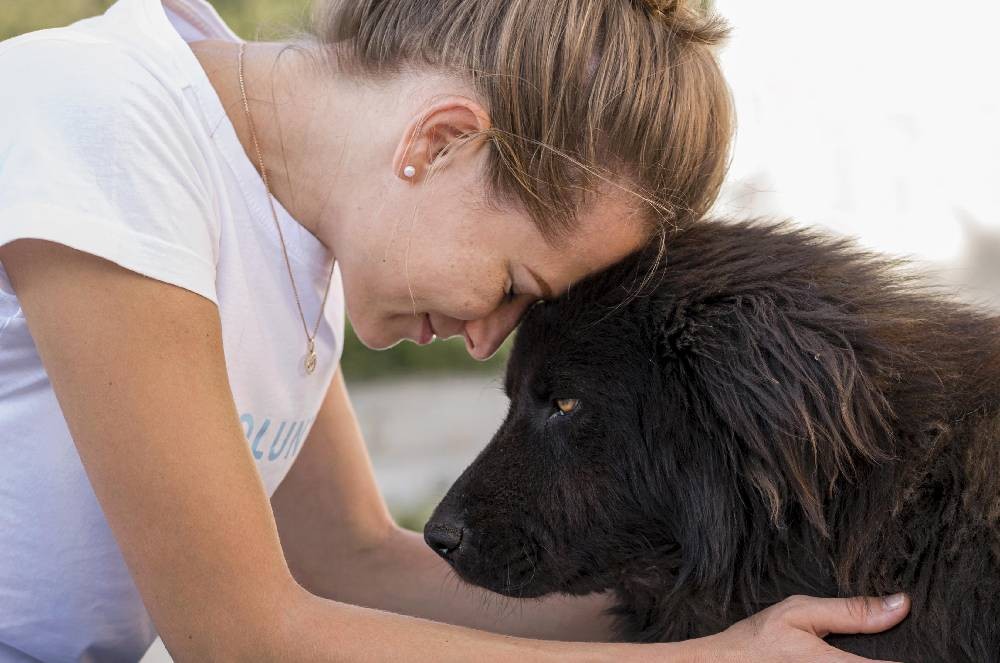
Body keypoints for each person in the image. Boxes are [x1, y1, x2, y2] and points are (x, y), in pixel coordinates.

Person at [0, 0, 910, 660]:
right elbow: (241, 633)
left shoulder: (293, 233)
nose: (486, 339)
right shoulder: (108, 118)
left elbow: (352, 561)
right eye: (514, 282)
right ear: (438, 143)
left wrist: (743, 615)